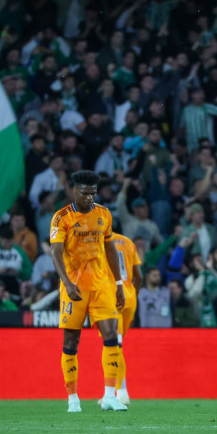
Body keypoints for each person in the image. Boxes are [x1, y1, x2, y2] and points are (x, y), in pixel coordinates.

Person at [50, 170, 128, 413]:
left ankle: (109, 396)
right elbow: (56, 253)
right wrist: (67, 283)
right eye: (85, 193)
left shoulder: (104, 214)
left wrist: (118, 284)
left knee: (111, 335)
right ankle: (73, 398)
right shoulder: (61, 218)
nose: (90, 198)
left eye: (93, 193)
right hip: (73, 286)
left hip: (101, 284)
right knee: (71, 341)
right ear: (74, 191)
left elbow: (111, 249)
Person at [107, 232, 142, 406]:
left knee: (115, 346)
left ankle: (121, 392)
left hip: (112, 298)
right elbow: (139, 276)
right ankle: (114, 392)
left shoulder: (99, 239)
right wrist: (134, 294)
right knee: (117, 345)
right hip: (130, 298)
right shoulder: (129, 241)